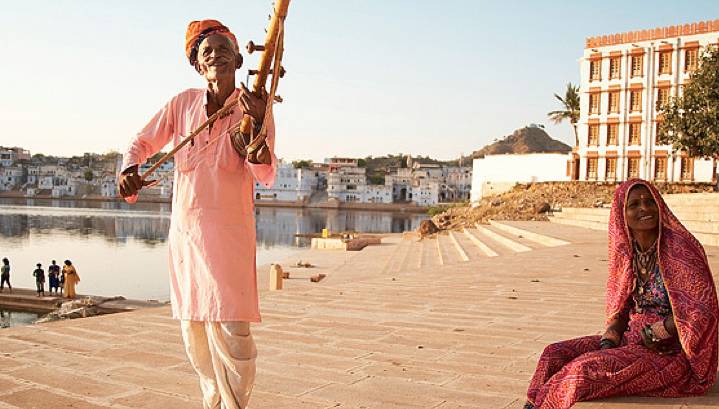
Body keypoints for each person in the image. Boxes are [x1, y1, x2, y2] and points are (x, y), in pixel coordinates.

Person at [118, 19, 275, 409]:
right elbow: (140, 141)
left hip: (230, 237)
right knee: (194, 332)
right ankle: (213, 403)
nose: (216, 55)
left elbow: (266, 172)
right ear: (197, 66)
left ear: (240, 59)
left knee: (234, 333)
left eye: (224, 50)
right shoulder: (182, 103)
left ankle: (235, 405)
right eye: (208, 52)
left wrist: (256, 124)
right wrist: (129, 169)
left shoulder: (254, 105)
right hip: (187, 236)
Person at [523, 179, 719, 409]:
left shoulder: (681, 249)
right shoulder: (628, 253)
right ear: (621, 213)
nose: (644, 209)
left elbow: (704, 309)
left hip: (671, 354)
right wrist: (611, 337)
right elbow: (622, 304)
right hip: (631, 339)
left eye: (649, 202)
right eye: (634, 204)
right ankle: (532, 404)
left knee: (582, 370)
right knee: (553, 354)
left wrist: (661, 330)